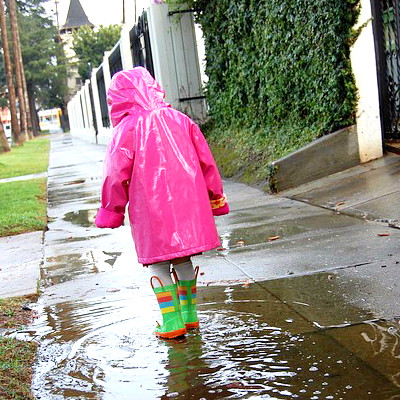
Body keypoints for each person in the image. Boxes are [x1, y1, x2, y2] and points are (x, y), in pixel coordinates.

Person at [95, 67, 229, 339]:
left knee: (158, 264)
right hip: (189, 206)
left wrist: (112, 210)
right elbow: (207, 162)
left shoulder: (127, 130)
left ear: (117, 100)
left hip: (152, 209)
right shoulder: (181, 120)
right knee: (182, 258)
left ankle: (171, 321)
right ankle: (190, 316)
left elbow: (115, 173)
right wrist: (214, 197)